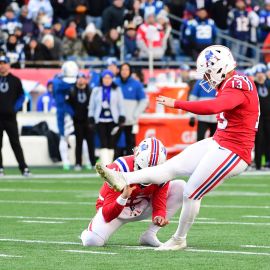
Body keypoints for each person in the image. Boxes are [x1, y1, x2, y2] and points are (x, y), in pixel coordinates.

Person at [95, 45, 259, 250]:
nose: (206, 78)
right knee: (170, 168)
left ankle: (179, 239)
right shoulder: (228, 82)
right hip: (219, 142)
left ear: (220, 67)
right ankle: (124, 178)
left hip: (234, 151)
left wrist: (178, 103)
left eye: (208, 72)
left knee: (191, 192)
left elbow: (214, 107)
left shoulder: (239, 82)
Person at [81, 138, 185, 247]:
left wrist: (159, 216)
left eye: (151, 173)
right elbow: (107, 214)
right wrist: (123, 197)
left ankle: (150, 234)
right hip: (115, 210)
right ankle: (88, 232)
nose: (146, 178)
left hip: (141, 206)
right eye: (141, 170)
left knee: (180, 187)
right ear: (135, 157)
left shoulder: (163, 171)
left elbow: (160, 199)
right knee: (92, 241)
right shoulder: (120, 167)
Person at [0, 54, 31, 176]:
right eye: (0, 64)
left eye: (4, 64)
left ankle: (24, 168)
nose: (2, 66)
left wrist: (14, 108)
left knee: (15, 143)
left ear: (8, 65)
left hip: (10, 118)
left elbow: (22, 96)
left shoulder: (15, 80)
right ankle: (0, 168)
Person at [88, 69, 125, 166]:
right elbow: (92, 105)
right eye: (105, 78)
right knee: (103, 142)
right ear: (102, 79)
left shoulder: (116, 89)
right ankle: (105, 165)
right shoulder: (96, 90)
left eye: (109, 78)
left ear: (112, 79)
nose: (107, 80)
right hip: (100, 119)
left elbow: (121, 104)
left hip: (113, 119)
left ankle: (110, 165)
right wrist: (91, 117)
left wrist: (122, 116)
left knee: (111, 143)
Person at [115, 63, 148, 156]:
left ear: (130, 71)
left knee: (130, 144)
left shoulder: (136, 84)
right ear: (120, 71)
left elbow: (143, 101)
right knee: (115, 144)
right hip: (116, 120)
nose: (124, 72)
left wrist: (135, 115)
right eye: (122, 69)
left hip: (130, 121)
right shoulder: (115, 83)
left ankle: (131, 165)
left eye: (127, 69)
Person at [52, 61, 79, 170]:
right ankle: (65, 162)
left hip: (75, 113)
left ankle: (83, 161)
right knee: (64, 137)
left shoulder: (59, 82)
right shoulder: (58, 83)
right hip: (65, 114)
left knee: (83, 138)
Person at [67, 73, 96, 171]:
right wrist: (73, 114)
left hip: (88, 120)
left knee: (90, 143)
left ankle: (92, 163)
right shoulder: (72, 91)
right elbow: (68, 104)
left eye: (82, 78)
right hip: (77, 121)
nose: (80, 80)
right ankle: (78, 163)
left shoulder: (91, 90)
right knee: (78, 143)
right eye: (79, 78)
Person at [253, 64, 270, 170]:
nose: (260, 75)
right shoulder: (253, 86)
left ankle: (268, 162)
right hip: (258, 118)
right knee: (259, 141)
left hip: (269, 118)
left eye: (262, 73)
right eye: (258, 73)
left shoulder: (268, 85)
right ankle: (258, 163)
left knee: (269, 140)